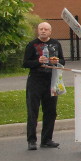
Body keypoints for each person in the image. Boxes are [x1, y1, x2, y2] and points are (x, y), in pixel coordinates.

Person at [22, 22, 65, 150]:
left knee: (51, 111)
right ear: (38, 31)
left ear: (50, 31)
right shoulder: (32, 45)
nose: (43, 31)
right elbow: (25, 63)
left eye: (46, 29)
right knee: (33, 111)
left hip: (51, 81)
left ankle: (46, 139)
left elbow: (62, 60)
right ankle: (31, 140)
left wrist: (57, 61)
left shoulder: (56, 44)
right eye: (41, 29)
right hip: (35, 81)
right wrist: (37, 62)